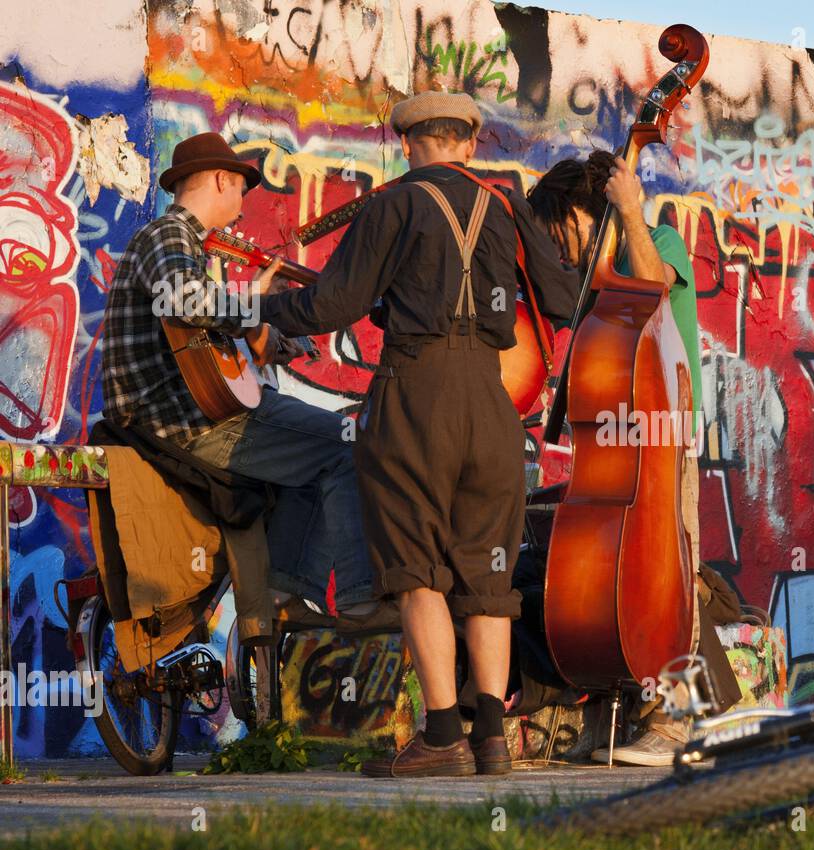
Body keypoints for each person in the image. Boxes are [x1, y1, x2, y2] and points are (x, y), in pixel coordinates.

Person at [257, 90, 579, 777]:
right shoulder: (506, 204)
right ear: (468, 142)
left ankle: (441, 734)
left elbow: (330, 304)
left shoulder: (392, 204)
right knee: (488, 571)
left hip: (415, 395)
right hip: (493, 406)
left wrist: (262, 307)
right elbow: (563, 298)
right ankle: (491, 734)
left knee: (416, 567)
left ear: (409, 144)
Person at [101, 132, 395, 637]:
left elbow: (194, 337)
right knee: (350, 446)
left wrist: (264, 336)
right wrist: (258, 310)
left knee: (311, 462)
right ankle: (359, 601)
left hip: (185, 416)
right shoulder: (169, 236)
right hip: (185, 424)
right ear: (221, 180)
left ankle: (282, 592)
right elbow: (188, 304)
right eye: (240, 190)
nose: (241, 208)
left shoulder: (180, 245)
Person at [527, 150, 740, 765]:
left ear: (577, 212)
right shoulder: (597, 279)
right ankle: (611, 717)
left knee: (672, 581)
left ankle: (683, 720)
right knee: (613, 584)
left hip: (666, 440)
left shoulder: (660, 240)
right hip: (618, 448)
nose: (563, 254)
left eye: (561, 235)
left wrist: (630, 210)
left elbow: (653, 287)